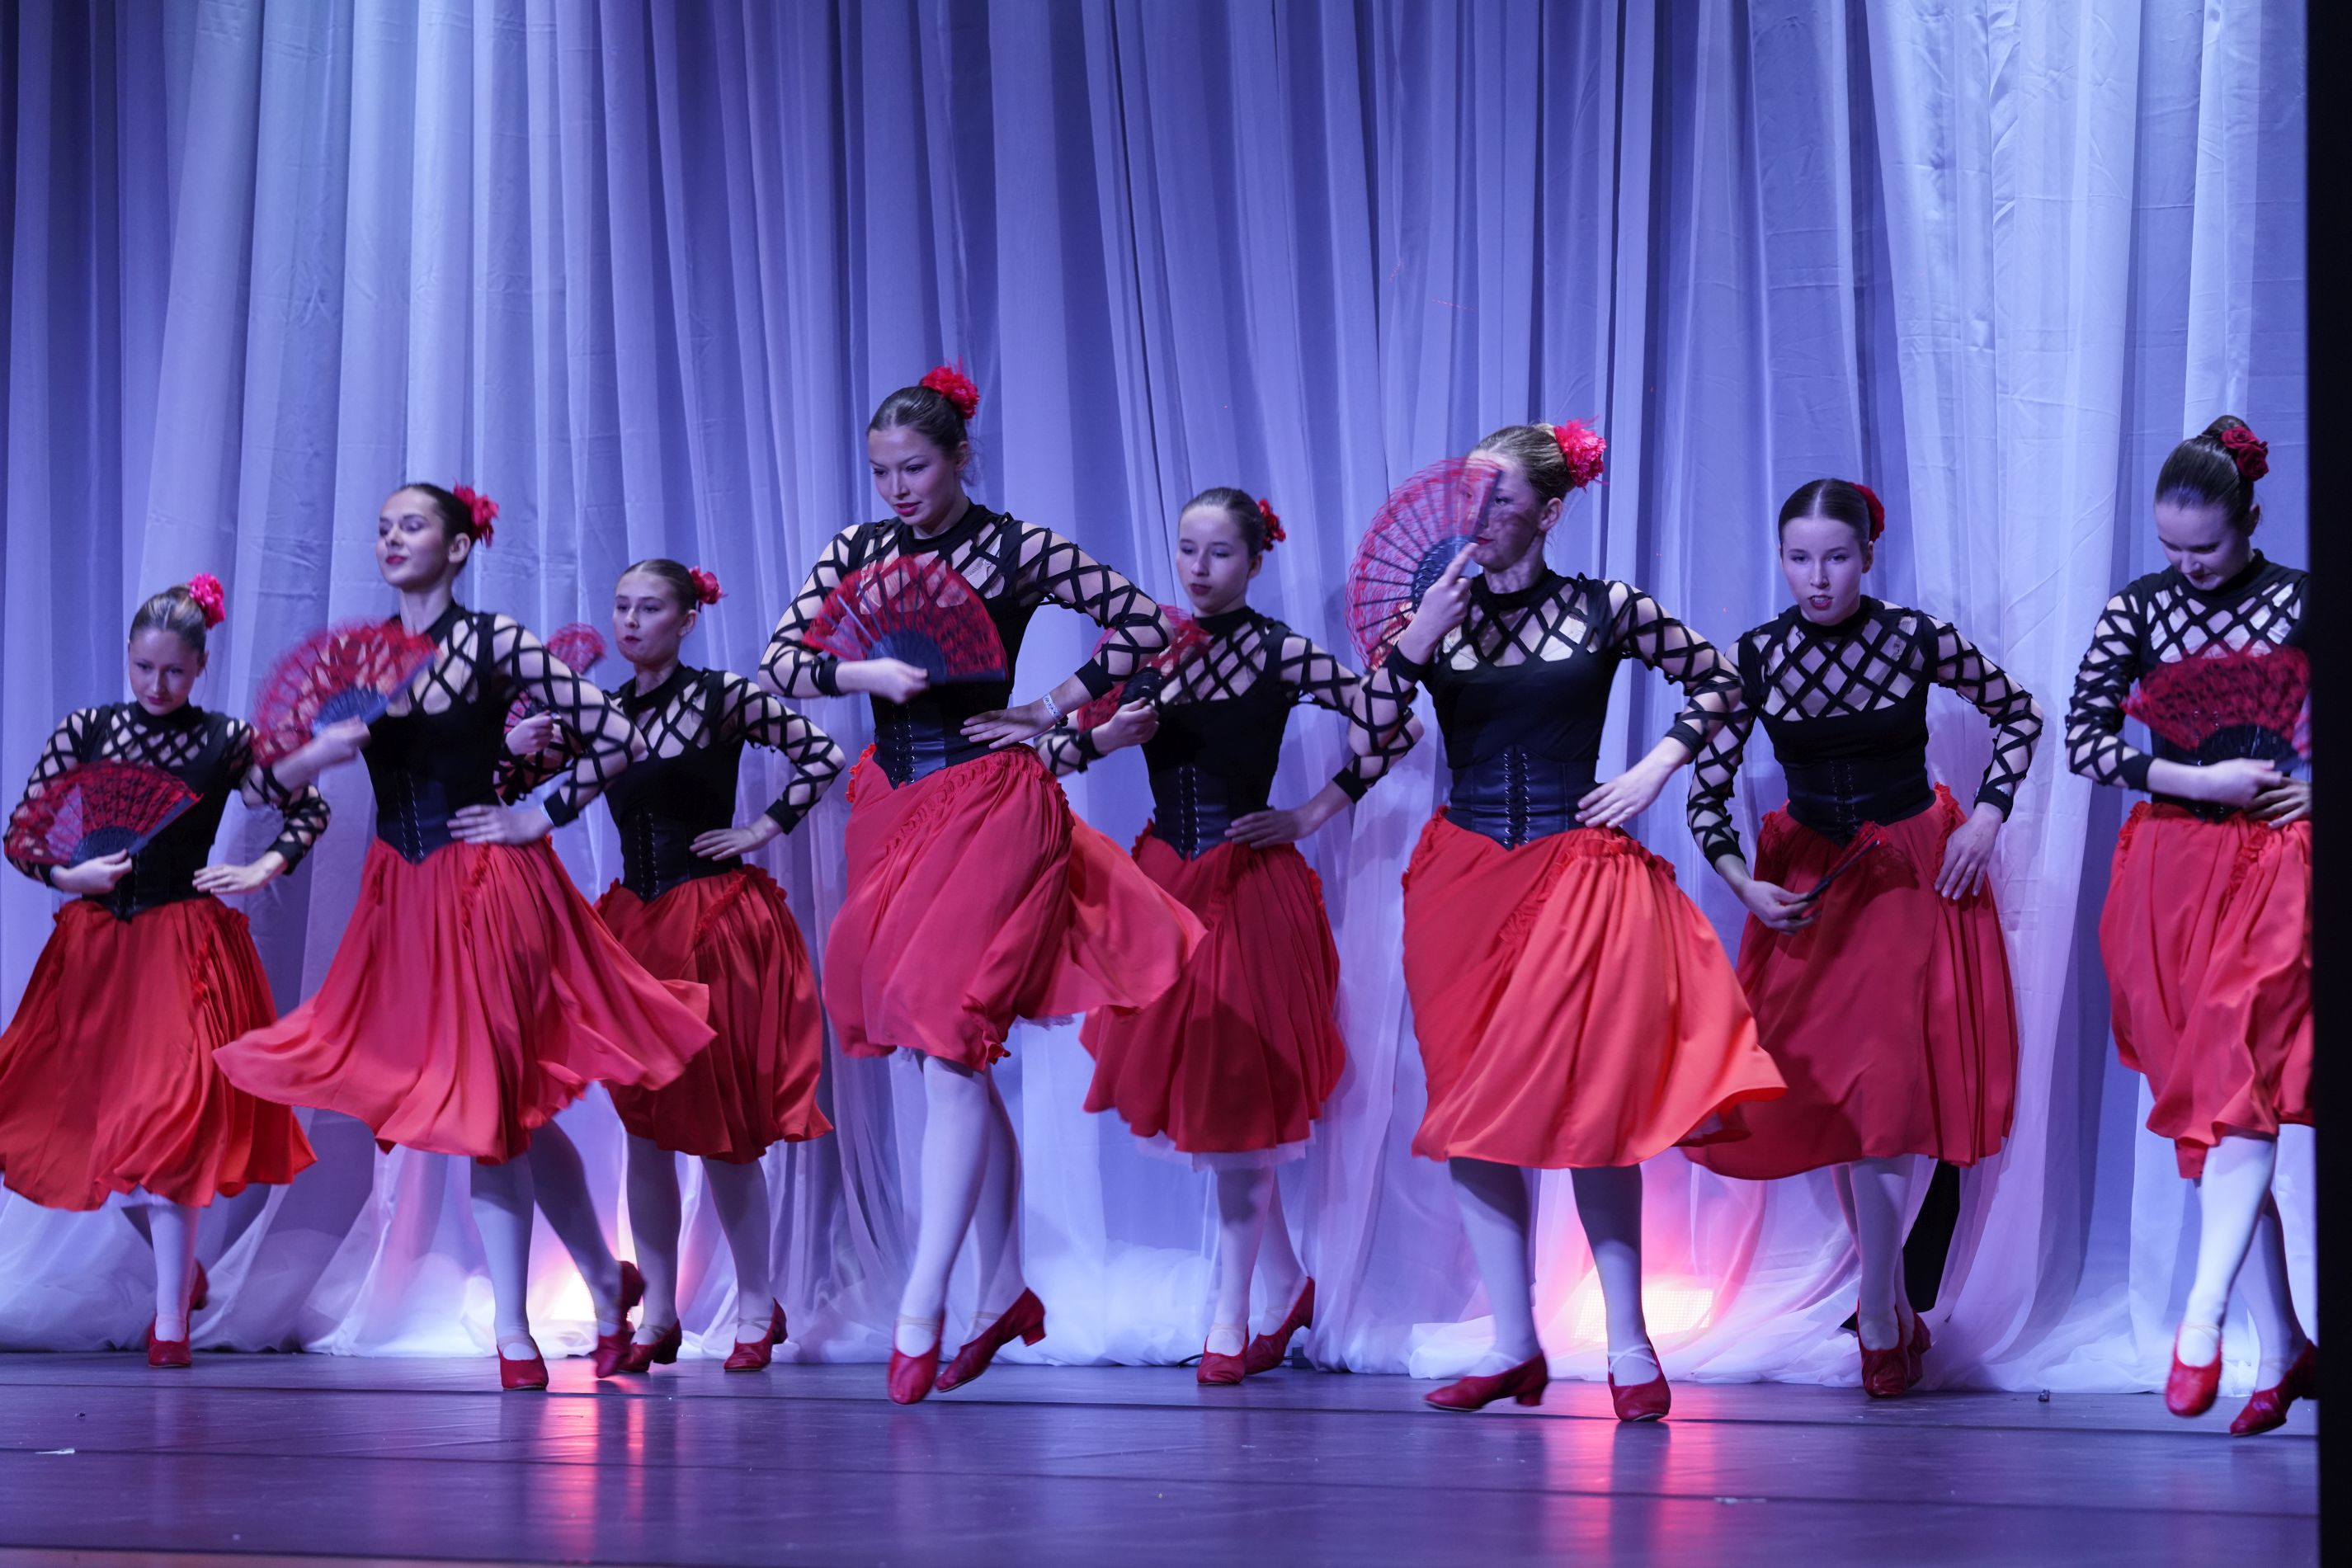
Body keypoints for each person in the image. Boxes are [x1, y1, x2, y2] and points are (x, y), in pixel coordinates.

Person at [758, 366, 1200, 1403]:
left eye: (914, 468)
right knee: (939, 1055)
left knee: (952, 1042)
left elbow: (1147, 626)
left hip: (988, 801)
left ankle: (924, 1304)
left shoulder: (1016, 547)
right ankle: (1002, 1286)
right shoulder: (858, 550)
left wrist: (1049, 705)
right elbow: (781, 661)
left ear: (960, 457)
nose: (897, 489)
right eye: (882, 472)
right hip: (891, 805)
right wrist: (860, 674)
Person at [214, 483, 715, 1390]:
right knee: (512, 1109)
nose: (391, 537)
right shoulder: (361, 657)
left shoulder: (494, 641)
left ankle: (516, 1332)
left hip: (489, 885)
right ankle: (607, 1282)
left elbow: (613, 734)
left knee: (491, 1109)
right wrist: (314, 754)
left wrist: (537, 815)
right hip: (400, 897)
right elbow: (258, 789)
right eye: (382, 526)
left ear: (456, 547)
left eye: (411, 524)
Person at [1359, 422, 1784, 1420]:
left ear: (1549, 512)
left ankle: (1628, 1344)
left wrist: (1655, 766)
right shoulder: (1433, 612)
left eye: (1499, 499)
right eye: (1471, 496)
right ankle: (1513, 1344)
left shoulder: (1606, 606)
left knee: (1595, 1110)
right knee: (1473, 1109)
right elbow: (1366, 740)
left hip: (1576, 871)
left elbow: (1725, 681)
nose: (1477, 516)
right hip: (1461, 881)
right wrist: (1415, 639)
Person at [1038, 488, 1416, 1382]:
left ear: (1253, 560)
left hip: (1250, 893)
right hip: (1163, 894)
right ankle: (1284, 1283)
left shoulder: (1281, 651)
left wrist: (1312, 811)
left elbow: (1391, 723)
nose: (1198, 568)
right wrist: (1107, 738)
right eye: (1186, 549)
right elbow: (1044, 751)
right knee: (1214, 1109)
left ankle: (1231, 1315)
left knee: (1237, 1104)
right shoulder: (1149, 649)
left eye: (1218, 552)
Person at [1684, 478, 2043, 1396]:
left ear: (1867, 556)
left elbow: (2019, 712)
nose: (1817, 577)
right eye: (1798, 558)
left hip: (1911, 874)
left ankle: (1878, 1312)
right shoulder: (1754, 657)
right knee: (1842, 1103)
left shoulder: (1914, 638)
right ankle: (1887, 1299)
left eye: (1835, 557)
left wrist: (1985, 818)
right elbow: (1705, 792)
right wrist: (1742, 883)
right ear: (1779, 559)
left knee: (1882, 1095)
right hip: (1809, 885)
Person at [508, 559, 844, 1373]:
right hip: (635, 931)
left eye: (649, 607)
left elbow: (822, 754)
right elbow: (516, 783)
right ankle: (658, 1311)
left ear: (687, 618)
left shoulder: (724, 696)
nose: (629, 621)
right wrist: (516, 746)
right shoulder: (603, 713)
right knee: (645, 1129)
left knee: (724, 1129)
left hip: (714, 923)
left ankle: (757, 1305)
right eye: (621, 606)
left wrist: (761, 829)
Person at [0, 577, 327, 1367]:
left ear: (201, 666)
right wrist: (69, 876)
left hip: (182, 946)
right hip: (95, 950)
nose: (156, 684)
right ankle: (185, 1277)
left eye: (174, 671)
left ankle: (171, 1320)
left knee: (170, 1124)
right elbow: (23, 833)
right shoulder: (87, 730)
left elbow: (306, 807)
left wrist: (262, 867)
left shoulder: (225, 740)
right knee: (94, 1133)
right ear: (127, 656)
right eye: (144, 667)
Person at [2066, 417, 2314, 1436]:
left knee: (2236, 1085)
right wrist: (2194, 777)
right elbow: (2084, 739)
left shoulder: (2301, 599)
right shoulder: (2137, 606)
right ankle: (2285, 1348)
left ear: (2250, 519)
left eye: (2203, 546)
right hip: (2167, 869)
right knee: (2213, 1117)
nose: (2187, 566)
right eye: (2171, 547)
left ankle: (2202, 1322)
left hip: (2273, 863)